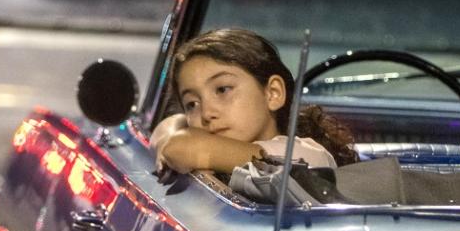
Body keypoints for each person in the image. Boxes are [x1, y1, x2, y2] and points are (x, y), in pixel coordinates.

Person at [151, 28, 355, 175]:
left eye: (222, 90)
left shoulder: (305, 156)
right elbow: (171, 124)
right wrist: (171, 134)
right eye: (192, 104)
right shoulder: (212, 141)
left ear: (273, 93)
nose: (206, 113)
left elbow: (183, 147)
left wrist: (171, 145)